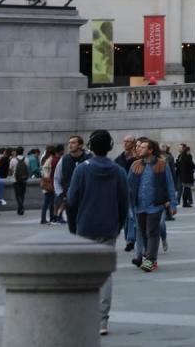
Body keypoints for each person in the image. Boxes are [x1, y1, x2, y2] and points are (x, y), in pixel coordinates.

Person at [65, 129, 129, 337]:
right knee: (105, 274)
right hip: (108, 227)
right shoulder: (118, 170)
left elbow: (71, 200)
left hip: (85, 226)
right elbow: (124, 202)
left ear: (90, 147)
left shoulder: (81, 170)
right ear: (110, 147)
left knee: (83, 272)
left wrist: (73, 226)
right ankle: (102, 320)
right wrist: (118, 226)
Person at [127, 138, 177, 272]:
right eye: (139, 147)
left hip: (156, 205)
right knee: (143, 232)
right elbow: (128, 185)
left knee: (152, 232)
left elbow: (170, 184)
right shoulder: (135, 165)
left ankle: (151, 260)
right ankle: (147, 256)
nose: (139, 149)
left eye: (143, 147)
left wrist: (173, 204)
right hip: (139, 206)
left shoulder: (162, 164)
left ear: (151, 150)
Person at [175, 144, 195, 208]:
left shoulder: (182, 156)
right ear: (187, 151)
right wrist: (194, 168)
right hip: (187, 175)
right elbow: (191, 164)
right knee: (187, 189)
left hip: (183, 175)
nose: (190, 152)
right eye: (189, 151)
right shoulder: (187, 156)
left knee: (186, 189)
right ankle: (185, 202)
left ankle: (186, 201)